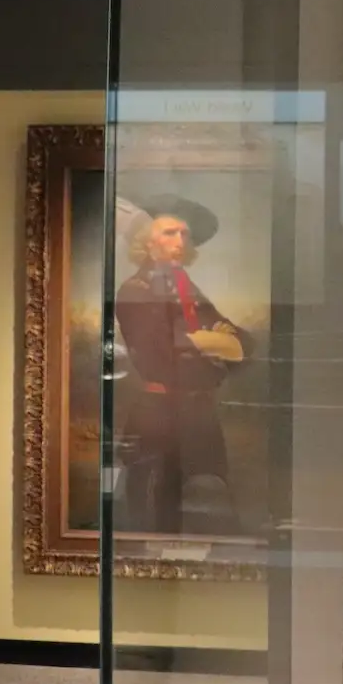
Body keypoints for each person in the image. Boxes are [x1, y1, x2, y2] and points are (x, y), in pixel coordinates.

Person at [113, 197, 247, 534]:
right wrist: (214, 345)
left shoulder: (188, 289)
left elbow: (243, 343)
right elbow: (161, 358)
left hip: (200, 416)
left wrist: (204, 343)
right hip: (159, 416)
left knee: (211, 507)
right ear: (147, 242)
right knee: (155, 513)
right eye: (170, 233)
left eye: (185, 234)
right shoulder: (135, 291)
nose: (180, 241)